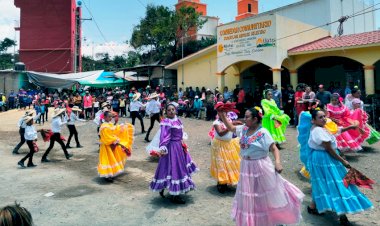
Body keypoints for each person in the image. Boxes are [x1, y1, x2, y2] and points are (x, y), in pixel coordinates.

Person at [217, 107, 304, 226]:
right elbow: (231, 128)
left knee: (265, 193)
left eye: (247, 117)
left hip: (261, 166)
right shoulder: (244, 129)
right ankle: (253, 220)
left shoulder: (263, 132)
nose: (244, 118)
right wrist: (222, 116)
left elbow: (274, 148)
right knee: (250, 195)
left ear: (255, 119)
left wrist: (278, 162)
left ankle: (272, 219)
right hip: (246, 167)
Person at [306, 108, 373, 226]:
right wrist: (343, 161)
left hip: (324, 158)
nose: (323, 119)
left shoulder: (322, 128)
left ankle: (313, 207)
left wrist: (350, 127)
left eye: (324, 116)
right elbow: (329, 148)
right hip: (324, 159)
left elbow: (335, 131)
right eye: (320, 117)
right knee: (335, 184)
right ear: (313, 120)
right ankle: (342, 214)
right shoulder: (318, 131)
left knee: (323, 183)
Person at [150, 104, 199, 204]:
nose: (171, 111)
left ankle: (165, 187)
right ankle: (174, 195)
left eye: (173, 109)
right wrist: (163, 146)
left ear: (175, 110)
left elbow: (180, 133)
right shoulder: (166, 122)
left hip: (179, 147)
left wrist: (182, 141)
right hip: (171, 148)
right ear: (166, 112)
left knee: (173, 168)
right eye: (169, 110)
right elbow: (164, 136)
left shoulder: (177, 120)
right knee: (174, 168)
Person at [98, 111, 134, 181]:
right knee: (108, 160)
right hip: (107, 146)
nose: (111, 118)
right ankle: (108, 176)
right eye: (109, 116)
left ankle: (111, 174)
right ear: (105, 117)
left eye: (111, 116)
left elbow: (115, 130)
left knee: (112, 159)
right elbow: (107, 137)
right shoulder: (104, 126)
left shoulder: (109, 124)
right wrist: (115, 139)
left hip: (111, 144)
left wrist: (122, 126)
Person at [210, 111, 240, 193]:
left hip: (228, 144)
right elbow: (220, 133)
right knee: (221, 164)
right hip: (219, 145)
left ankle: (226, 181)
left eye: (225, 113)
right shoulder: (216, 122)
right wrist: (230, 127)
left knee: (229, 163)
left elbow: (236, 127)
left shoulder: (229, 120)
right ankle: (221, 183)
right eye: (221, 113)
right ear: (218, 114)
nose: (223, 114)